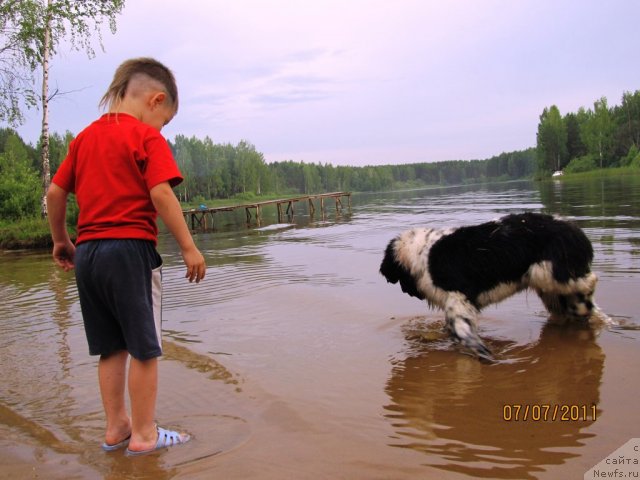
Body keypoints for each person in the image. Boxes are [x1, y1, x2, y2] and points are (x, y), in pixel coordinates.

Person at [47, 57, 206, 456]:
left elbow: (54, 193)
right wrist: (188, 246)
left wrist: (61, 240)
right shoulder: (145, 138)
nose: (162, 130)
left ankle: (116, 428)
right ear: (155, 100)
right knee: (145, 347)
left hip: (88, 254)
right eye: (165, 121)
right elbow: (161, 193)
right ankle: (145, 434)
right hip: (130, 251)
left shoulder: (83, 139)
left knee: (110, 347)